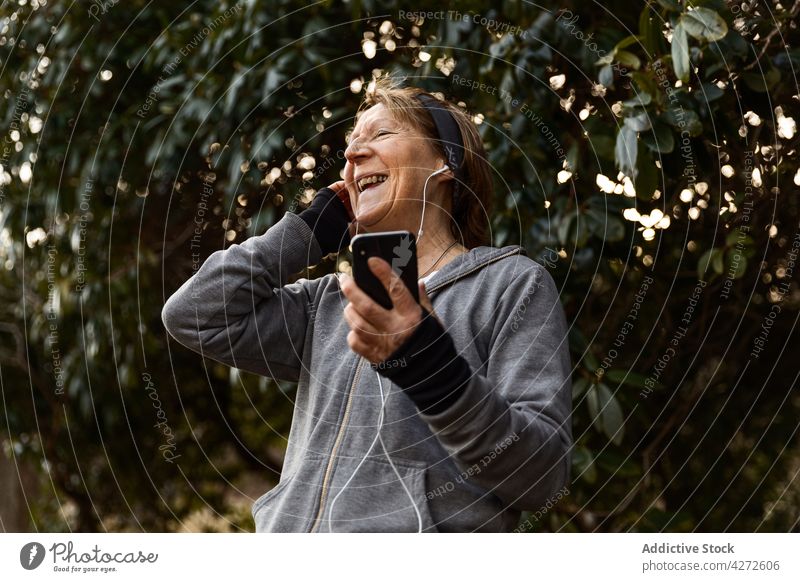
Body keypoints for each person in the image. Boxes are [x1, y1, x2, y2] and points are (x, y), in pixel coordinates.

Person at [161, 77, 573, 532]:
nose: (353, 154)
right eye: (351, 143)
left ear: (446, 162)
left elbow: (542, 476)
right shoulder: (329, 303)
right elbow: (193, 314)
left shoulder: (510, 286)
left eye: (381, 134)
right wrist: (310, 231)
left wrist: (430, 365)